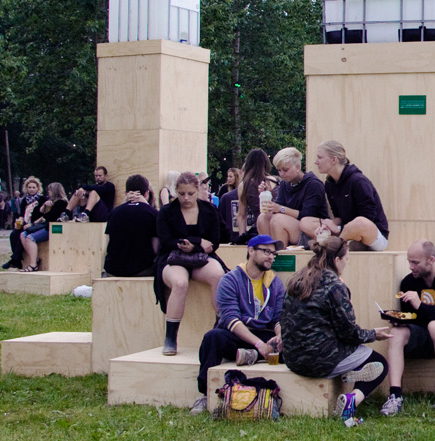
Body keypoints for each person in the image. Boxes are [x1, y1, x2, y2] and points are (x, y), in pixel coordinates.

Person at [280, 236, 392, 425]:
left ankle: (350, 373)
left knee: (348, 352)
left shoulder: (297, 279)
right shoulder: (335, 286)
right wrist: (374, 334)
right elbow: (348, 333)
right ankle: (351, 400)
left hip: (292, 359)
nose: (346, 263)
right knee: (379, 363)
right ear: (337, 260)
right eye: (346, 259)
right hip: (320, 360)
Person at [190, 234, 286, 415]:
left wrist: (280, 336)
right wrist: (259, 345)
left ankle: (252, 356)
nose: (271, 257)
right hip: (237, 333)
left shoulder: (276, 284)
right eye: (266, 251)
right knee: (212, 338)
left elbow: (278, 319)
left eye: (274, 254)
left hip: (263, 333)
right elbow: (231, 320)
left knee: (293, 341)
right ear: (251, 251)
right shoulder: (230, 280)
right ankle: (204, 395)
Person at [380, 239, 435, 416]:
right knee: (396, 333)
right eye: (409, 262)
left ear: (431, 260)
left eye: (415, 262)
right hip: (421, 333)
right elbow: (413, 317)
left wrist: (421, 306)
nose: (411, 267)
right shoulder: (409, 282)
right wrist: (400, 320)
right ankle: (395, 395)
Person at [155, 172, 228, 356]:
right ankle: (170, 337)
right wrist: (197, 241)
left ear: (198, 190)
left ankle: (221, 327)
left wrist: (194, 246)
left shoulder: (209, 210)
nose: (186, 198)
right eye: (181, 194)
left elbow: (214, 242)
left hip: (200, 257)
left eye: (190, 193)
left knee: (218, 275)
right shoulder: (166, 211)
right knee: (180, 283)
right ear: (175, 192)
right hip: (173, 257)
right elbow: (165, 242)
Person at [300, 141, 389, 251]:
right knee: (306, 222)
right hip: (345, 231)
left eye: (320, 157)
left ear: (334, 160)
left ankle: (334, 248)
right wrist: (329, 225)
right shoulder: (329, 184)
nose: (316, 162)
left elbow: (368, 218)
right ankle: (345, 244)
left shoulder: (358, 181)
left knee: (360, 222)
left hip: (372, 235)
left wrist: (339, 228)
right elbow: (339, 217)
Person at [257, 147, 329, 249]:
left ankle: (280, 255)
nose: (282, 174)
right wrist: (267, 195)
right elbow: (279, 207)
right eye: (279, 170)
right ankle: (267, 252)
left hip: (313, 231)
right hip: (293, 226)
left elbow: (307, 215)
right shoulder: (284, 184)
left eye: (285, 170)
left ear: (297, 167)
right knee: (263, 218)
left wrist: (281, 209)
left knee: (278, 220)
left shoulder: (313, 184)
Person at [103, 175, 159, 277]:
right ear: (147, 193)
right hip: (143, 270)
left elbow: (109, 243)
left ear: (126, 193)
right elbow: (156, 249)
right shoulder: (153, 214)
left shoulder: (114, 213)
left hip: (113, 270)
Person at [18, 182, 68, 272]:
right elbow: (42, 212)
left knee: (30, 238)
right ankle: (34, 259)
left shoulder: (61, 202)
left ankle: (33, 265)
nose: (48, 192)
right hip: (47, 225)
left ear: (55, 191)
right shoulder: (52, 202)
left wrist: (41, 218)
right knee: (23, 234)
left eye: (50, 190)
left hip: (53, 228)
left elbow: (49, 217)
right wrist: (45, 206)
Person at [2, 177, 45, 269]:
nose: (31, 189)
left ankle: (14, 259)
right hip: (26, 223)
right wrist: (20, 221)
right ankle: (17, 260)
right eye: (29, 187)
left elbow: (44, 216)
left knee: (23, 234)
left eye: (34, 187)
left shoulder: (42, 199)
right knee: (14, 234)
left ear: (38, 188)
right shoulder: (24, 200)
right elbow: (21, 214)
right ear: (26, 188)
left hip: (37, 224)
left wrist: (32, 224)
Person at [235, 148, 273, 244]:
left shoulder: (244, 185)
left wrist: (242, 237)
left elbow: (241, 215)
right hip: (276, 226)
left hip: (259, 227)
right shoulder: (276, 181)